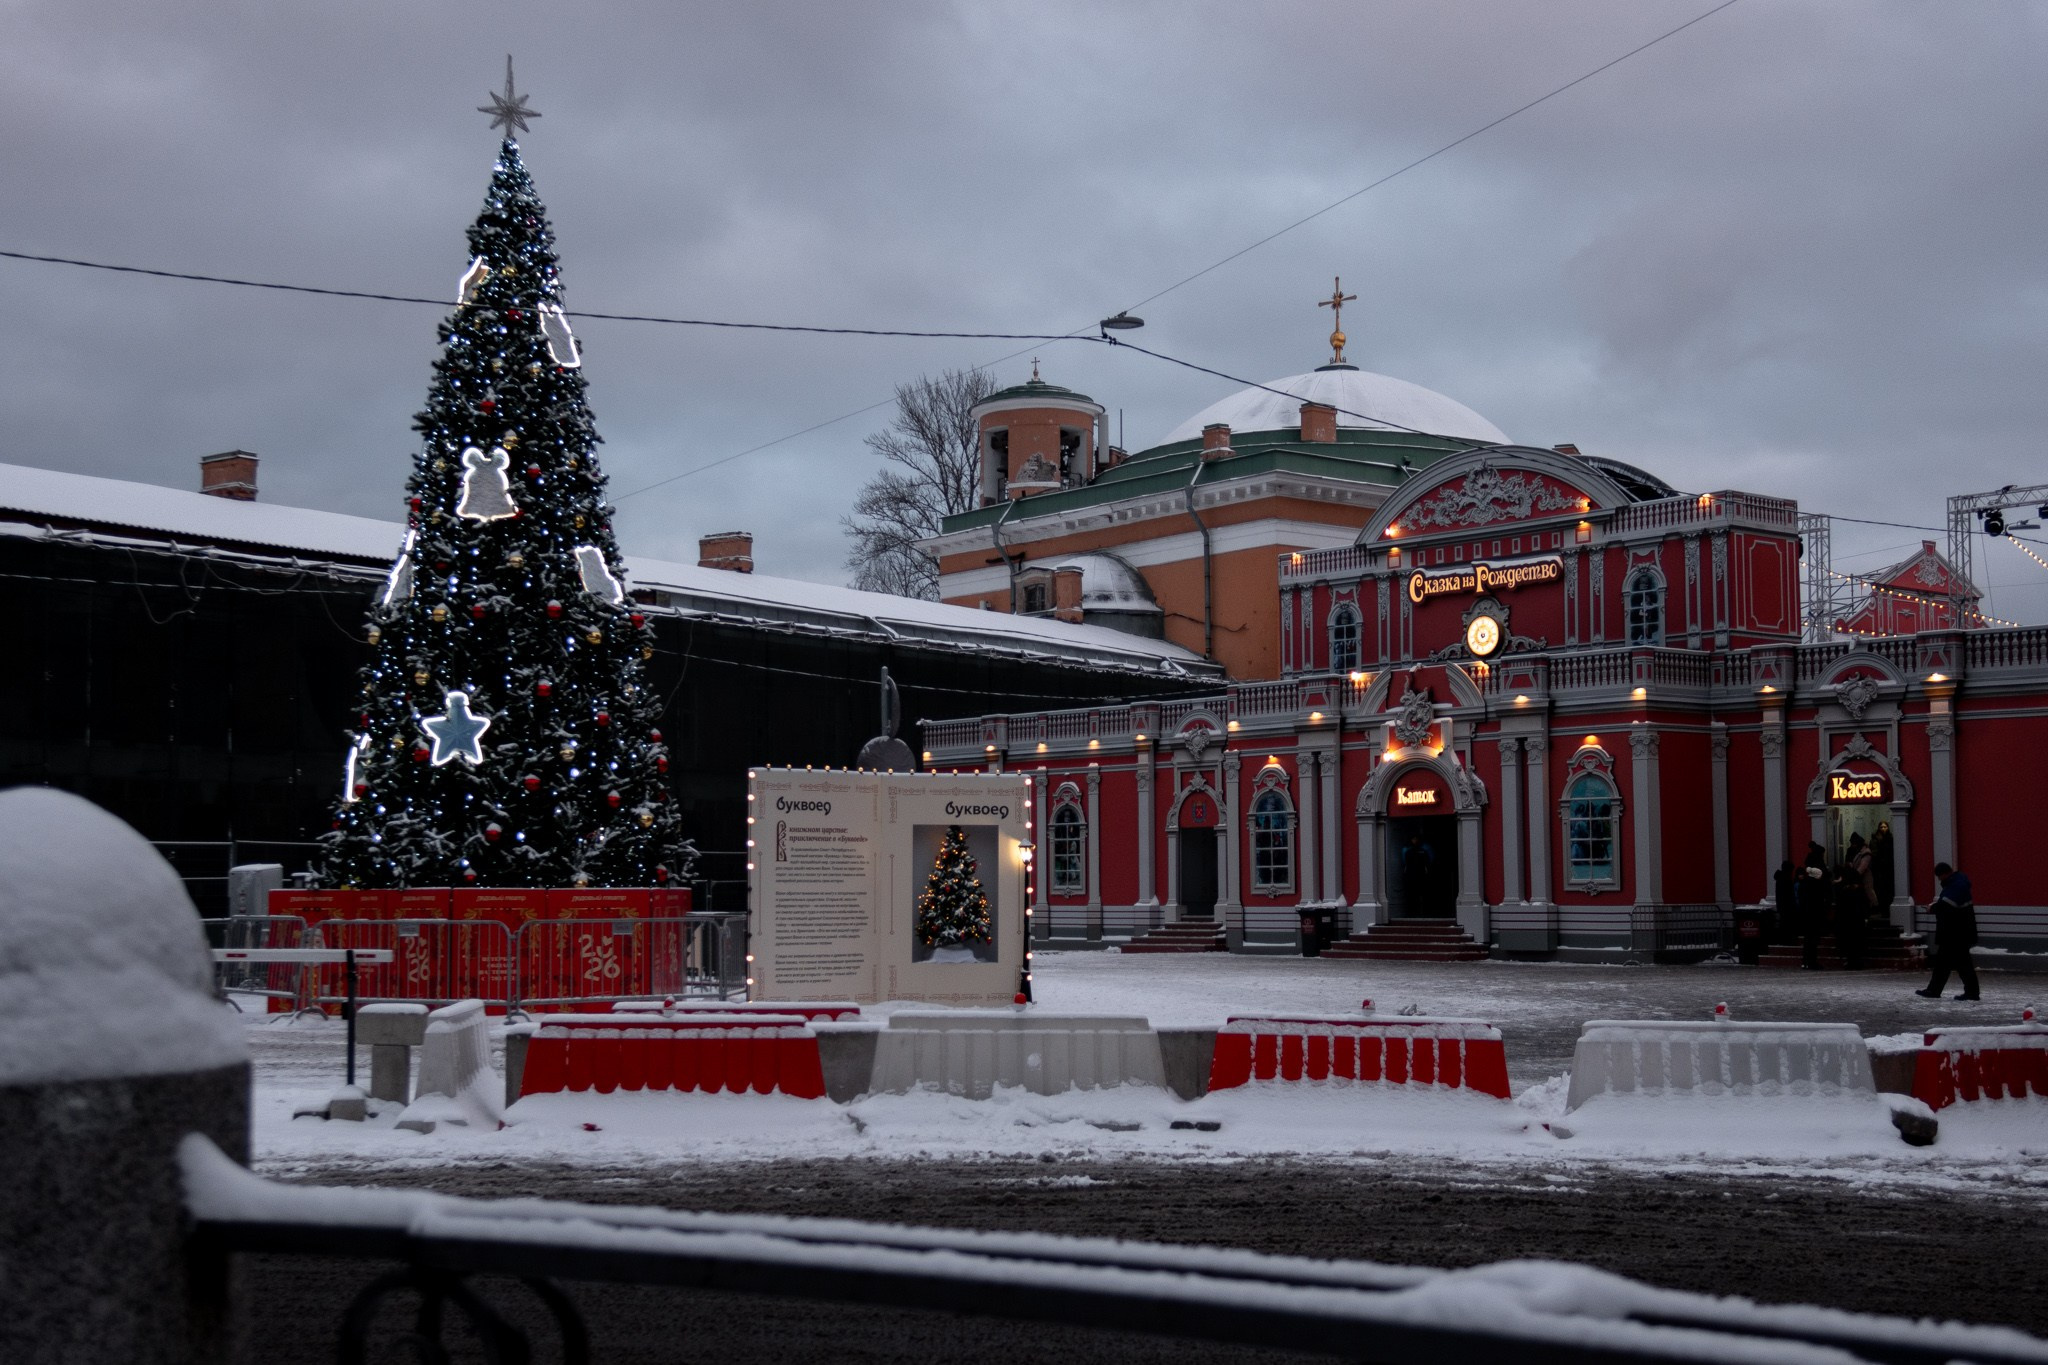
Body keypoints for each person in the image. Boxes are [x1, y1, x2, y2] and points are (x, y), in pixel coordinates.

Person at [1916, 862, 1981, 1001]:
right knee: (1954, 963)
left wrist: (1932, 908)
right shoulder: (1959, 883)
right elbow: (1950, 905)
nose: (1940, 880)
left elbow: (1947, 906)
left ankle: (1937, 990)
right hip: (1958, 932)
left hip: (1954, 933)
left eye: (1940, 877)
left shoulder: (1955, 886)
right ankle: (1969, 991)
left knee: (1951, 963)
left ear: (1944, 874)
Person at [1839, 832, 1875, 969]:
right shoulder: (1857, 852)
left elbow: (1862, 868)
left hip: (1862, 880)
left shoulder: (1865, 853)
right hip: (1856, 918)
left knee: (1869, 894)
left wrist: (1853, 874)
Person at [1797, 841, 1829, 970]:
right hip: (1814, 911)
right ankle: (1811, 961)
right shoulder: (1816, 879)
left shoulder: (1805, 881)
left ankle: (1806, 961)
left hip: (1806, 911)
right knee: (1813, 937)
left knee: (1808, 938)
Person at [1771, 859, 1799, 946]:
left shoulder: (1780, 878)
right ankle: (1787, 941)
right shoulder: (1786, 879)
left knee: (1784, 924)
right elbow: (1789, 895)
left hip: (1782, 906)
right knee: (1787, 925)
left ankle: (1785, 940)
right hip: (1787, 906)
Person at [1870, 820, 1896, 910]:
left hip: (1889, 868)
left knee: (1889, 889)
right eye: (1881, 827)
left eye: (1885, 827)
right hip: (1879, 869)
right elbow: (1874, 854)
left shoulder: (1891, 838)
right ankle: (1882, 908)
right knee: (1880, 889)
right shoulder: (1875, 839)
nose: (1883, 829)